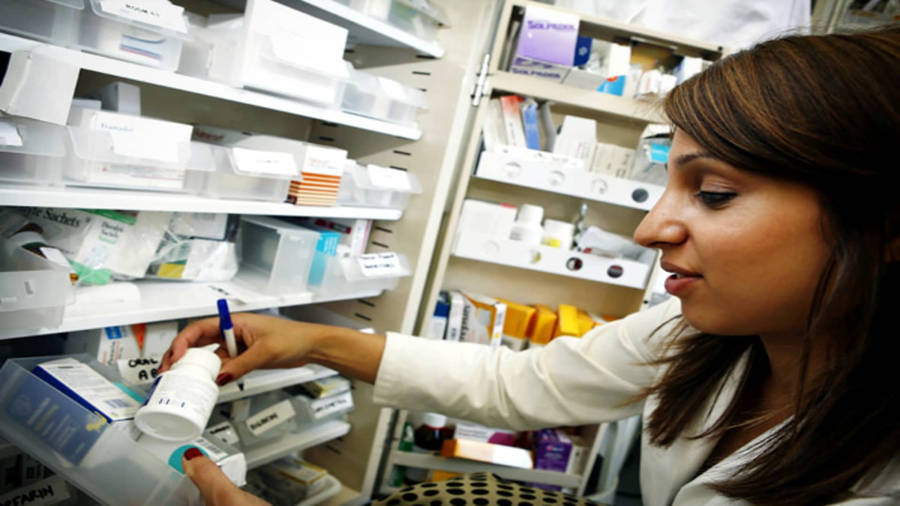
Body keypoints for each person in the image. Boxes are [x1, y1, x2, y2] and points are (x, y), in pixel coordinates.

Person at [161, 26, 900, 506]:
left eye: (713, 193)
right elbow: (519, 383)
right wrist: (312, 340)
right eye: (669, 183)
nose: (650, 229)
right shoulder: (697, 337)